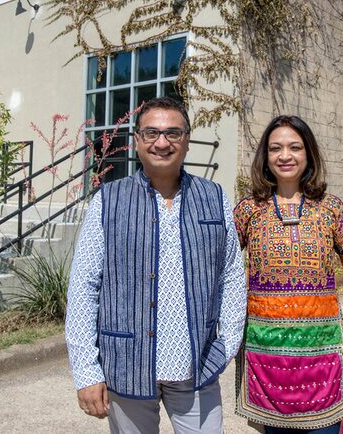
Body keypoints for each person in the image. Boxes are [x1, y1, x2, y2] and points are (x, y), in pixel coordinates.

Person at [65, 96, 247, 434]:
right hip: (126, 367)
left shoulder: (214, 196)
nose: (162, 142)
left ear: (187, 141)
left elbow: (232, 275)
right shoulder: (108, 200)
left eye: (173, 133)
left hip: (198, 365)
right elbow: (83, 289)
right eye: (151, 133)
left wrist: (227, 345)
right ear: (136, 141)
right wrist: (87, 371)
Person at [234, 115, 343, 434]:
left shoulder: (331, 209)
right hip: (266, 355)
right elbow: (222, 269)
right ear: (265, 156)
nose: (284, 156)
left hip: (323, 356)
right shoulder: (249, 209)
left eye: (294, 147)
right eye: (275, 148)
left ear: (309, 154)